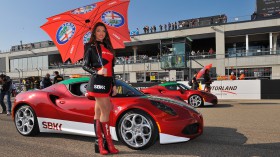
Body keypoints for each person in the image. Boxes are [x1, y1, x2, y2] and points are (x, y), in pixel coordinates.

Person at [83, 22, 118, 155]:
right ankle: (108, 143)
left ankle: (100, 143)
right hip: (97, 81)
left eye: (103, 31)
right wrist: (96, 71)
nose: (101, 33)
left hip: (108, 82)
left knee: (98, 113)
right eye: (98, 31)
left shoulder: (109, 47)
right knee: (106, 111)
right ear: (94, 33)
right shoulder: (90, 47)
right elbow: (84, 65)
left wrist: (114, 84)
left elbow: (112, 69)